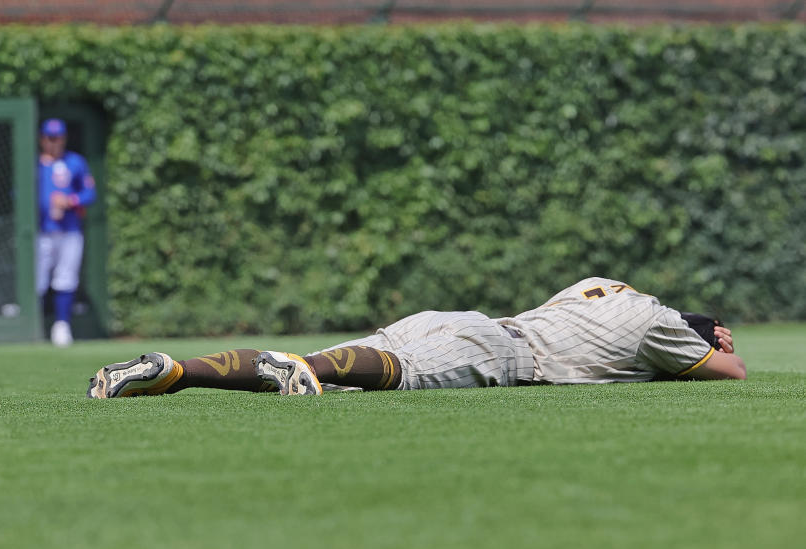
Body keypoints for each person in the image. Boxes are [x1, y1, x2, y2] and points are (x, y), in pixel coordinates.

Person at [86, 277, 746, 398]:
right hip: (496, 352)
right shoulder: (657, 322)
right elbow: (730, 373)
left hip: (459, 321)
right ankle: (301, 366)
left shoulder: (600, 285)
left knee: (303, 369)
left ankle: (172, 370)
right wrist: (704, 340)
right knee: (309, 365)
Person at [36, 118, 96, 348]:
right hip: (40, 231)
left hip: (69, 230)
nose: (54, 142)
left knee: (66, 277)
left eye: (58, 137)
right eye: (50, 138)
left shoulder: (75, 162)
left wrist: (70, 200)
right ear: (42, 139)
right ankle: (36, 326)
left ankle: (62, 325)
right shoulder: (34, 164)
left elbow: (89, 194)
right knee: (37, 280)